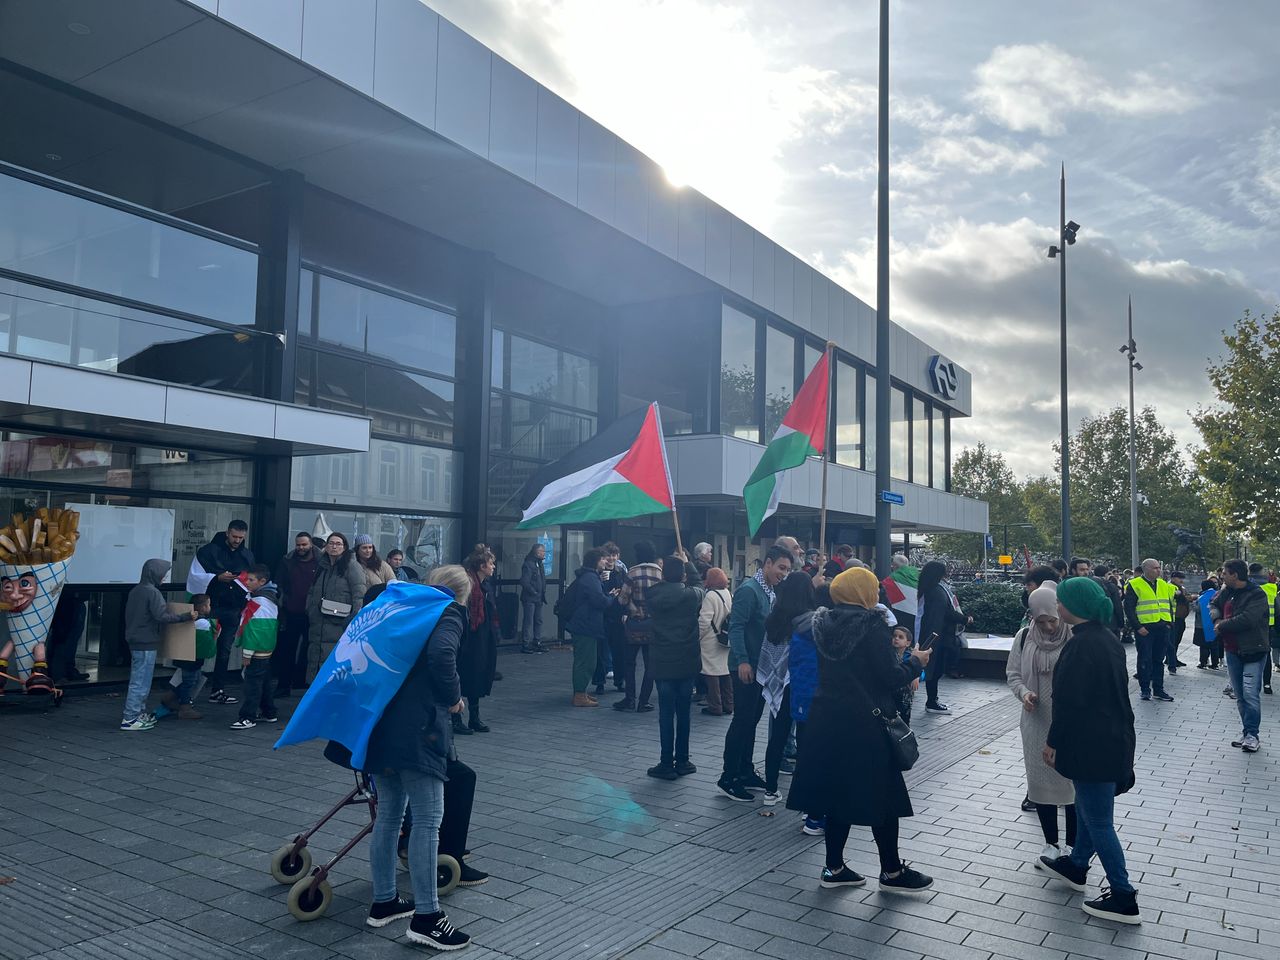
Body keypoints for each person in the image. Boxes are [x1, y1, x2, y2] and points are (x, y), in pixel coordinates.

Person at [785, 567, 934, 892]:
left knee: (837, 795)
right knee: (885, 797)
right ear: (863, 593)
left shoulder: (822, 624)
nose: (878, 594)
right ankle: (892, 871)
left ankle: (834, 867)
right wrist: (916, 662)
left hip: (827, 722)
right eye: (874, 589)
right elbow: (890, 677)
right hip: (866, 725)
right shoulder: (872, 626)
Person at [356, 563, 472, 950]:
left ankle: (384, 900)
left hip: (380, 721)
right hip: (418, 729)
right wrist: (454, 698)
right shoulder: (448, 610)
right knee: (427, 820)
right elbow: (441, 656)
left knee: (389, 815)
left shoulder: (402, 609)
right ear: (461, 595)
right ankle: (427, 917)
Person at [1039, 576, 1140, 925]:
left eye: (1061, 601)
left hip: (1092, 745)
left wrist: (1052, 741)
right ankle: (1077, 865)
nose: (1058, 606)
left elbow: (1068, 702)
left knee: (1099, 821)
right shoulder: (1107, 639)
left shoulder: (1081, 646)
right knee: (1086, 807)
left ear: (1075, 606)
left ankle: (1123, 895)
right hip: (1112, 739)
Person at [716, 545, 792, 802]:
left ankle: (745, 770)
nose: (783, 574)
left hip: (762, 668)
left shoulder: (770, 590)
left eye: (787, 570)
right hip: (746, 667)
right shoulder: (749, 591)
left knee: (752, 721)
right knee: (742, 720)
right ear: (767, 563)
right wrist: (743, 661)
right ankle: (728, 777)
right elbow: (736, 627)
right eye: (781, 568)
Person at [1007, 585, 1076, 862]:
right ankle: (1051, 844)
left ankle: (1073, 846)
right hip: (1036, 721)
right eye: (1041, 621)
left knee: (1071, 785)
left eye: (1052, 620)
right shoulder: (1024, 637)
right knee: (1040, 783)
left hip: (1068, 723)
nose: (1047, 627)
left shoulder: (1074, 636)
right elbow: (1013, 674)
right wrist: (1024, 693)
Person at [645, 556, 703, 779]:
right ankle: (683, 760)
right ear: (684, 575)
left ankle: (666, 762)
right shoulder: (690, 596)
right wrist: (688, 563)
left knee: (666, 713)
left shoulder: (653, 595)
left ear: (662, 574)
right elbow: (700, 585)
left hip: (662, 662)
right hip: (686, 662)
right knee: (684, 713)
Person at [759, 571, 814, 805]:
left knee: (777, 738)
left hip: (778, 684)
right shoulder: (811, 620)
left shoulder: (775, 616)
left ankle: (770, 790)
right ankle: (803, 794)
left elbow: (769, 652)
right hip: (803, 686)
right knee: (804, 739)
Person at [121, 559, 195, 731]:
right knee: (141, 681)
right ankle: (130, 717)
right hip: (146, 641)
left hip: (136, 639)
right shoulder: (152, 592)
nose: (164, 577)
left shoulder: (136, 590)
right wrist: (185, 617)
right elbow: (161, 616)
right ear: (155, 574)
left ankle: (137, 714)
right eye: (163, 574)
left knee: (139, 680)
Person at [1212, 558, 1269, 753]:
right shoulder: (1227, 591)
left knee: (1250, 694)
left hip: (1254, 650)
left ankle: (1252, 735)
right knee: (1240, 695)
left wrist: (1222, 626)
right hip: (1232, 649)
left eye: (1225, 573)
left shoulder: (1256, 594)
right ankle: (1247, 733)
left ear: (1235, 575)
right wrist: (1217, 619)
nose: (1222, 576)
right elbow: (1213, 604)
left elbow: (1248, 619)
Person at [196, 520, 255, 705]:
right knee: (199, 648)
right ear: (227, 533)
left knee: (224, 651)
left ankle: (217, 689)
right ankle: (186, 692)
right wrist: (217, 578)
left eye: (241, 538)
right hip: (210, 606)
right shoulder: (208, 551)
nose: (237, 540)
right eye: (234, 536)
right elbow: (197, 576)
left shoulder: (246, 555)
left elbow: (251, 577)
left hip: (233, 607)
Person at [306, 532, 366, 682]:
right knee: (315, 659)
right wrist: (310, 609)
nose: (334, 547)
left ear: (344, 547)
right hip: (317, 622)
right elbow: (312, 590)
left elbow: (359, 594)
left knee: (334, 663)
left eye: (338, 544)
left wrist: (353, 619)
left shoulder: (352, 566)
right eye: (331, 543)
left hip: (339, 623)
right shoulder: (322, 566)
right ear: (326, 546)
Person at [915, 560, 971, 714]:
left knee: (933, 669)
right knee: (935, 669)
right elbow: (946, 613)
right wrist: (964, 619)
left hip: (931, 634)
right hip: (938, 637)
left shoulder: (928, 589)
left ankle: (932, 700)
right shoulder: (937, 591)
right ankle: (932, 702)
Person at [229, 565, 280, 731]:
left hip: (256, 649)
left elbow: (254, 629)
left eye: (251, 580)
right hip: (266, 648)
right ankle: (269, 711)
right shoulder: (269, 598)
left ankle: (247, 716)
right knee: (263, 681)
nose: (247, 582)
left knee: (252, 684)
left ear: (262, 581)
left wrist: (247, 653)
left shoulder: (258, 601)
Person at [615, 540, 662, 713]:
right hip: (654, 623)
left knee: (629, 662)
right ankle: (644, 701)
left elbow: (622, 599)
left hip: (634, 623)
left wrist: (631, 606)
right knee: (650, 664)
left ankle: (629, 699)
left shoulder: (633, 572)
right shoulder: (660, 573)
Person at [564, 548, 614, 707]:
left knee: (586, 659)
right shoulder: (591, 578)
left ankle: (581, 692)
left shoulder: (588, 577)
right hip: (586, 625)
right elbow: (599, 601)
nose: (606, 561)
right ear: (595, 561)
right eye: (603, 559)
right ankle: (579, 695)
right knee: (585, 661)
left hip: (584, 624)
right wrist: (611, 597)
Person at [458, 544, 499, 733]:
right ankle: (456, 718)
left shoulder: (484, 585)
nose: (493, 567)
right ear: (482, 566)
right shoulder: (469, 585)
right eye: (491, 563)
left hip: (481, 635)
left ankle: (474, 717)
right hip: (469, 637)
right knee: (463, 675)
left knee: (477, 675)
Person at [274, 531, 319, 698]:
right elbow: (278, 582)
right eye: (298, 545)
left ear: (311, 544)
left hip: (313, 613)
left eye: (304, 544)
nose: (301, 548)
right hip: (291, 611)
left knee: (311, 650)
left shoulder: (322, 561)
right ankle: (283, 685)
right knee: (287, 650)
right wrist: (282, 600)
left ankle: (304, 682)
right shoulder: (287, 561)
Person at [1123, 558, 1174, 702]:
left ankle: (1159, 689)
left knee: (1158, 660)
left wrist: (1169, 623)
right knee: (1145, 659)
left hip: (1162, 627)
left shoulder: (1163, 584)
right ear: (1145, 569)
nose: (1158, 570)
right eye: (1155, 568)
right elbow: (1129, 608)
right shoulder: (1135, 584)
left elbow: (1168, 604)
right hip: (1145, 629)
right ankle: (1145, 689)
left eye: (1159, 567)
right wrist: (1138, 627)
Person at [156, 593, 214, 721]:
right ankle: (185, 707)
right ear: (203, 607)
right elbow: (206, 643)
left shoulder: (186, 618)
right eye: (209, 604)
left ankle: (169, 697)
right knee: (189, 682)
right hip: (193, 659)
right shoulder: (203, 623)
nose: (210, 607)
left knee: (189, 680)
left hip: (183, 656)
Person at [697, 568, 734, 716]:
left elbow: (704, 621)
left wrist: (697, 637)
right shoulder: (728, 593)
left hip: (711, 640)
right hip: (724, 638)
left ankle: (715, 706)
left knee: (711, 672)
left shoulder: (710, 596)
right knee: (725, 671)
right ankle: (729, 704)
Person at [601, 543, 627, 693]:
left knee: (619, 650)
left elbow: (626, 592)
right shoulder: (599, 572)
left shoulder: (621, 572)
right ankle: (600, 681)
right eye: (608, 555)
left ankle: (619, 680)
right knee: (601, 648)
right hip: (603, 614)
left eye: (614, 555)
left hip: (617, 614)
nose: (611, 558)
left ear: (618, 557)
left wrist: (625, 611)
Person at [519, 543, 548, 655]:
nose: (544, 553)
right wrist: (533, 591)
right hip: (530, 598)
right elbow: (524, 581)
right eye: (542, 551)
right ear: (537, 552)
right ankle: (525, 643)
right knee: (528, 621)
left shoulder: (539, 564)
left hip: (539, 598)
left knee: (538, 620)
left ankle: (537, 641)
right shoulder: (528, 564)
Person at [890, 625, 920, 726]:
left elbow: (921, 670)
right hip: (893, 693)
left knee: (905, 717)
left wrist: (916, 676)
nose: (896, 639)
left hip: (906, 695)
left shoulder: (911, 656)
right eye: (894, 636)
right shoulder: (889, 655)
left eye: (900, 637)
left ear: (908, 643)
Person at [1194, 578, 1220, 669]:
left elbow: (1197, 609)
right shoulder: (1218, 594)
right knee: (1214, 645)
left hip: (1202, 625)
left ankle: (1203, 662)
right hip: (1215, 623)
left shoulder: (1202, 597)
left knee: (1204, 645)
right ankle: (1215, 664)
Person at [1167, 571, 1190, 672]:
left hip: (1181, 618)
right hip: (1173, 617)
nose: (1181, 580)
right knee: (1172, 640)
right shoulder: (1169, 587)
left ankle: (1173, 658)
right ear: (1172, 578)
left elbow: (1186, 598)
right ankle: (1171, 660)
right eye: (1179, 578)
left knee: (1177, 640)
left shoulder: (1182, 588)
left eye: (1182, 578)